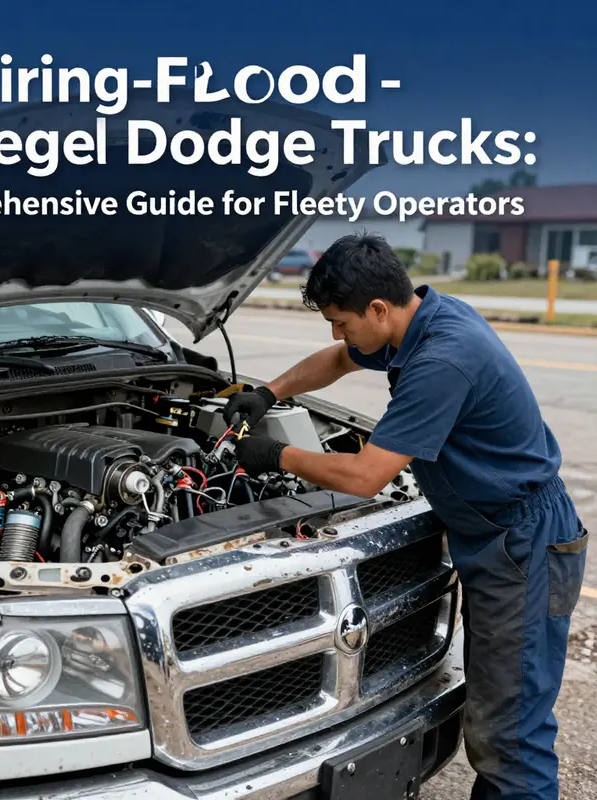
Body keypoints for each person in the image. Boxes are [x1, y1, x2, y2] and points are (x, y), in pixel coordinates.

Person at [224, 233, 589, 800]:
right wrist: (270, 392)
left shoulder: (442, 357)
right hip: (497, 532)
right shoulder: (417, 319)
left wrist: (277, 456)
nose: (336, 333)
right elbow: (342, 359)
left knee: (511, 736)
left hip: (523, 544)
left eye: (340, 321)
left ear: (377, 308)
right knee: (500, 720)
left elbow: (367, 476)